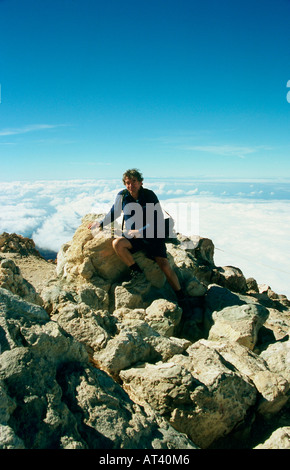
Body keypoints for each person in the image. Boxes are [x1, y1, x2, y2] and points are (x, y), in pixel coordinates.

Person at [88, 168, 186, 304]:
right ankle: (138, 274)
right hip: (133, 237)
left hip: (152, 236)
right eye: (127, 182)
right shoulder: (122, 196)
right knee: (118, 244)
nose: (131, 185)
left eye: (134, 181)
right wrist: (100, 223)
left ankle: (181, 295)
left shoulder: (149, 195)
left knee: (164, 264)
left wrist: (140, 231)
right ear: (124, 184)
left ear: (141, 182)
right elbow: (114, 212)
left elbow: (157, 220)